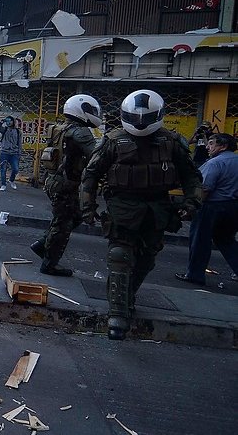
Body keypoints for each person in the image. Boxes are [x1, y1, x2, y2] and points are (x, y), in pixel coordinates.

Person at [80, 89, 202, 340]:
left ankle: (127, 297)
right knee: (119, 256)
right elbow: (90, 174)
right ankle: (118, 314)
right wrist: (87, 207)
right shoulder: (113, 141)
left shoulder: (171, 141)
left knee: (147, 258)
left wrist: (192, 201)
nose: (139, 124)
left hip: (157, 208)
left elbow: (191, 176)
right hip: (123, 206)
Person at [30, 94, 103, 276]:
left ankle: (42, 245)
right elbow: (96, 156)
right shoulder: (80, 132)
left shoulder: (60, 128)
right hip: (65, 184)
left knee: (72, 217)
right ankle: (49, 264)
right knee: (63, 224)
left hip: (53, 180)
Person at [176, 133, 238, 285]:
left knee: (200, 240)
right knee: (226, 240)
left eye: (211, 143)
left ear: (223, 146)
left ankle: (195, 274)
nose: (208, 147)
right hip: (234, 207)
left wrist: (191, 207)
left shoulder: (215, 163)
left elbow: (205, 189)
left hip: (212, 207)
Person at [0, 115, 22, 191]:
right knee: (3, 169)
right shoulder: (4, 130)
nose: (8, 122)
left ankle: (11, 180)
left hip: (14, 153)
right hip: (4, 152)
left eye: (10, 121)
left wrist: (19, 153)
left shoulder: (18, 131)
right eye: (7, 121)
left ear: (13, 121)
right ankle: (3, 184)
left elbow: (19, 143)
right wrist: (2, 122)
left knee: (15, 169)